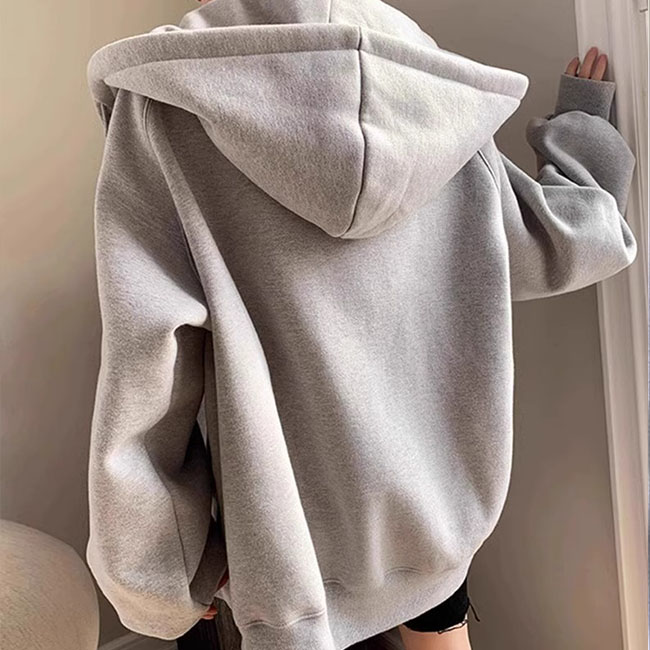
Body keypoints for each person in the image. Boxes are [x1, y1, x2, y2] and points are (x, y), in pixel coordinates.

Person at [85, 1, 637, 649]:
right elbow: (554, 242)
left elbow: (150, 358)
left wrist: (160, 569)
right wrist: (582, 129)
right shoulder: (431, 90)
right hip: (434, 512)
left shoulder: (166, 102)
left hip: (285, 532)